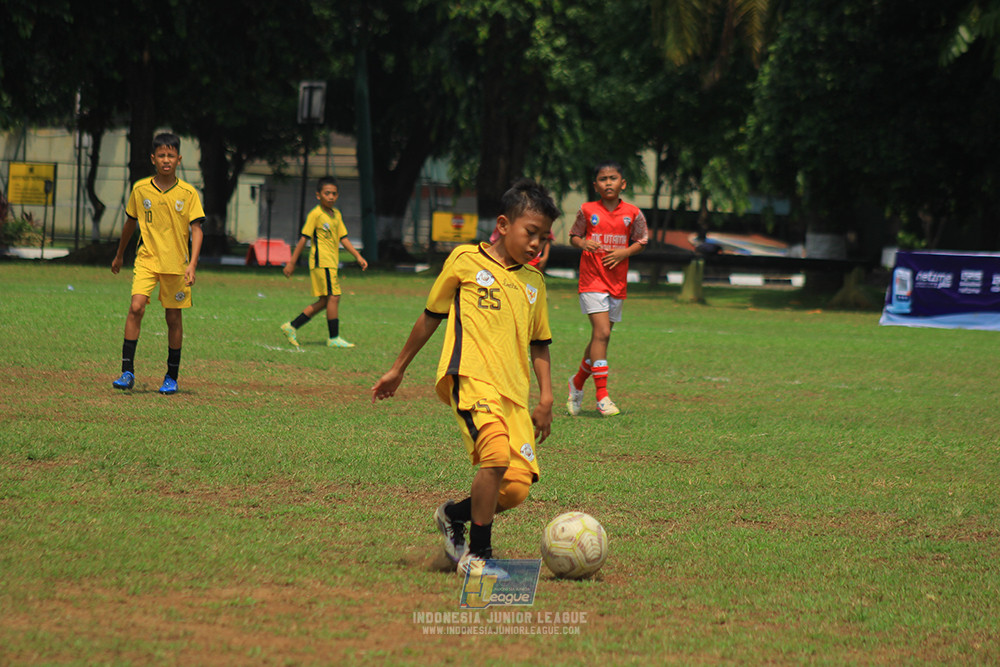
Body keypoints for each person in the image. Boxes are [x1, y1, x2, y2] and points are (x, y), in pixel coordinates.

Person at [371, 178, 558, 577]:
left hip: (514, 393)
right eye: (531, 233)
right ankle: (478, 557)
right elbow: (430, 316)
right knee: (492, 457)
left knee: (516, 487)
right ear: (504, 224)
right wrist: (398, 368)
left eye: (543, 237)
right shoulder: (464, 260)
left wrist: (545, 399)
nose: (536, 244)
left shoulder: (534, 284)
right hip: (469, 378)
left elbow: (540, 345)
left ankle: (453, 515)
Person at [111, 132, 205, 394]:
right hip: (147, 260)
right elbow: (130, 223)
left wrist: (192, 264)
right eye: (161, 155)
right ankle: (127, 372)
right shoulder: (141, 189)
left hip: (176, 264)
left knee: (173, 317)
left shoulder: (188, 193)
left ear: (179, 159)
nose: (166, 160)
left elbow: (197, 229)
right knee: (136, 307)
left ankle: (171, 376)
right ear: (153, 159)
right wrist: (119, 254)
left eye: (171, 155)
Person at [566, 160, 648, 417]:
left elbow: (642, 240)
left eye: (613, 178)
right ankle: (602, 396)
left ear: (623, 184)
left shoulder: (633, 213)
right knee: (601, 332)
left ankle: (577, 382)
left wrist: (625, 252)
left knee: (600, 338)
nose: (608, 183)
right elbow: (573, 236)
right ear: (595, 185)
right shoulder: (586, 210)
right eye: (603, 179)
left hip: (616, 282)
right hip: (591, 280)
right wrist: (583, 244)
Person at [281, 176, 368, 348]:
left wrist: (358, 256)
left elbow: (343, 238)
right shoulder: (316, 214)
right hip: (322, 262)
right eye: (327, 193)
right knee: (334, 297)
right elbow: (303, 239)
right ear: (318, 195)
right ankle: (333, 338)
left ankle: (291, 326)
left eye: (334, 194)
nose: (331, 197)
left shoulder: (336, 215)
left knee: (325, 301)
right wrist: (292, 262)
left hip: (331, 263)